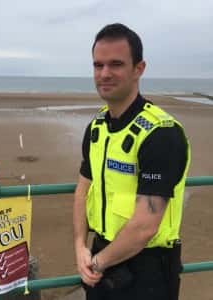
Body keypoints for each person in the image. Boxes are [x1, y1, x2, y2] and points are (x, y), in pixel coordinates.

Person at [73, 23, 190, 300]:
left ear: (139, 68)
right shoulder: (97, 128)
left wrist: (97, 262)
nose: (104, 74)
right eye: (98, 65)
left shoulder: (161, 133)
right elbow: (82, 190)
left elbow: (145, 226)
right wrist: (80, 247)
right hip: (101, 256)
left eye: (116, 64)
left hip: (148, 270)